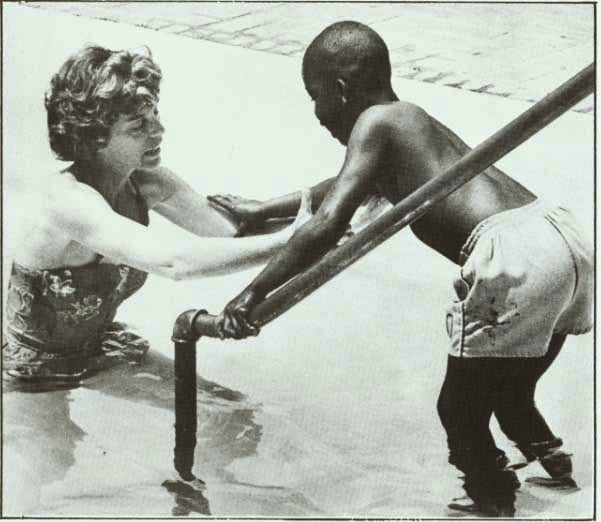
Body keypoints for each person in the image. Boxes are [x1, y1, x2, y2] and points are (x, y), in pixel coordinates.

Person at [209, 21, 593, 517]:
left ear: (341, 91)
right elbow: (342, 186)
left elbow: (329, 223)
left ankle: (492, 500)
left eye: (315, 95)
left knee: (458, 409)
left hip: (513, 255)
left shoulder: (377, 124)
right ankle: (553, 461)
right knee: (510, 386)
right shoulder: (408, 124)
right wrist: (264, 209)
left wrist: (250, 294)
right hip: (561, 240)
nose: (317, 113)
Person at [3, 45, 311, 383]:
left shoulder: (146, 182)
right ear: (93, 137)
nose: (158, 132)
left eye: (154, 116)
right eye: (138, 127)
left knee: (229, 413)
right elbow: (172, 263)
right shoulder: (67, 201)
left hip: (102, 346)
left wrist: (333, 215)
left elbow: (232, 233)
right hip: (29, 371)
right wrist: (297, 240)